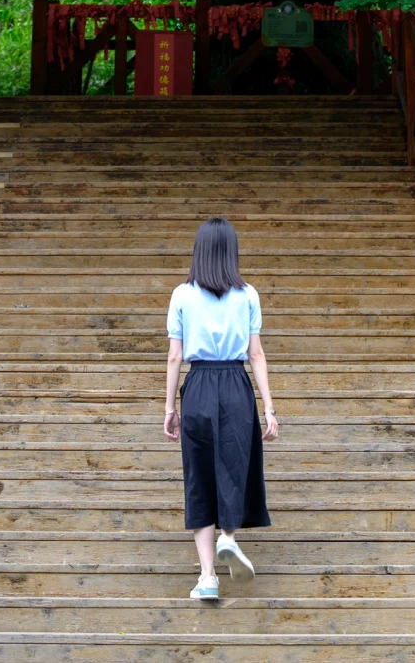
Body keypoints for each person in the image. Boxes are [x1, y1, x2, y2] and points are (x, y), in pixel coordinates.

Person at [164, 216, 279, 600]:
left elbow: (174, 357)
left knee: (199, 477)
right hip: (235, 386)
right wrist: (269, 408)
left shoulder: (182, 295)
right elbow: (256, 354)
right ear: (231, 251)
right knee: (235, 464)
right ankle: (228, 536)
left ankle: (208, 578)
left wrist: (169, 408)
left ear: (198, 251)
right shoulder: (248, 295)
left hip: (197, 385)